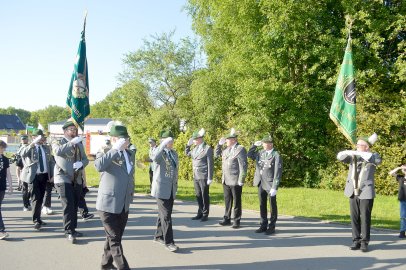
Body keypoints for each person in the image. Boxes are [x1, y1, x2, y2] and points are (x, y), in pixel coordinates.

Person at [95, 124, 134, 270]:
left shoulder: (130, 154)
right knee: (115, 240)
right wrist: (114, 149)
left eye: (127, 139)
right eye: (123, 139)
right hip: (108, 203)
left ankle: (105, 264)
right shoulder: (105, 151)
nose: (126, 141)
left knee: (113, 238)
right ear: (113, 139)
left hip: (123, 203)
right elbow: (98, 166)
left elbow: (130, 176)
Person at [337, 133, 381, 252]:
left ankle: (364, 242)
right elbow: (340, 157)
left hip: (366, 191)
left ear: (366, 147)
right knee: (354, 217)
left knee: (365, 218)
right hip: (352, 190)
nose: (357, 146)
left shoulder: (374, 155)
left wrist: (357, 153)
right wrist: (348, 152)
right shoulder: (353, 156)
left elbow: (375, 160)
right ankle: (355, 240)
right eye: (357, 144)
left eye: (360, 145)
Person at [52, 120, 89, 243]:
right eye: (71, 130)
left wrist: (81, 163)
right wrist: (71, 143)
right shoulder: (58, 141)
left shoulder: (79, 143)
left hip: (76, 178)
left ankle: (73, 229)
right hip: (62, 177)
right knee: (68, 204)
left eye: (75, 130)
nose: (73, 132)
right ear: (65, 131)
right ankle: (68, 231)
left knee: (74, 204)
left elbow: (86, 159)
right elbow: (57, 151)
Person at [151, 130, 179, 252]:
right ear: (163, 141)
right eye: (168, 140)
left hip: (171, 188)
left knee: (163, 214)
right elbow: (155, 158)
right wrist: (162, 145)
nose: (171, 142)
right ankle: (169, 242)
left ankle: (158, 236)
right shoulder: (159, 152)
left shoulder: (174, 153)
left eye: (172, 140)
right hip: (161, 188)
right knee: (166, 216)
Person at [20, 129, 54, 230]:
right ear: (33, 137)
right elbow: (22, 154)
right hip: (34, 176)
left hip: (44, 175)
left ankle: (38, 218)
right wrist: (32, 144)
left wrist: (52, 175)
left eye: (42, 137)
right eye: (39, 137)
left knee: (41, 198)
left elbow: (50, 162)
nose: (41, 138)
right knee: (35, 197)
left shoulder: (46, 148)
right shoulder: (28, 147)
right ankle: (36, 220)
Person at [248, 135, 282, 235]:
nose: (263, 145)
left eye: (264, 143)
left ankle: (272, 227)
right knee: (262, 204)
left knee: (272, 205)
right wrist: (254, 145)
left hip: (270, 183)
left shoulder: (276, 155)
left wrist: (275, 187)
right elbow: (249, 155)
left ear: (270, 144)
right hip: (260, 182)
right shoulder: (260, 153)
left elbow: (278, 172)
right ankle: (263, 225)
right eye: (262, 143)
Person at [215, 128, 247, 229]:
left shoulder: (240, 149)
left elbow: (243, 165)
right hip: (226, 179)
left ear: (233, 140)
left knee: (237, 201)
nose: (226, 141)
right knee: (227, 200)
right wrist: (219, 145)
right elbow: (216, 155)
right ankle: (227, 218)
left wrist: (241, 179)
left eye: (227, 139)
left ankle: (236, 220)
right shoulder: (225, 150)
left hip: (235, 179)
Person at [185, 128, 213, 221]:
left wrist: (210, 177)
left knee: (205, 195)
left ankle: (205, 214)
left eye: (195, 139)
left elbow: (210, 163)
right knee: (198, 194)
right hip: (196, 175)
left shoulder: (207, 148)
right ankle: (200, 212)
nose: (194, 141)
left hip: (204, 175)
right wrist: (187, 146)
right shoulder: (195, 148)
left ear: (200, 139)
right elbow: (187, 154)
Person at [389, 164, 406, 238]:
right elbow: (391, 173)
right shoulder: (401, 178)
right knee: (403, 216)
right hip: (402, 199)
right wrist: (399, 167)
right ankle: (402, 232)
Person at [0, 140, 13, 240]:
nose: (3, 150)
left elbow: (8, 173)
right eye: (2, 148)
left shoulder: (5, 159)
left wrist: (10, 186)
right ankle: (1, 230)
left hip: (2, 186)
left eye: (4, 148)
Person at [16, 135, 31, 211]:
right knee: (25, 189)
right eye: (22, 139)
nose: (23, 140)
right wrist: (18, 178)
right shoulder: (20, 150)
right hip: (23, 171)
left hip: (31, 171)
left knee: (31, 190)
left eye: (25, 139)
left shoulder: (31, 147)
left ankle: (28, 201)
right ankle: (25, 205)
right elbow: (18, 166)